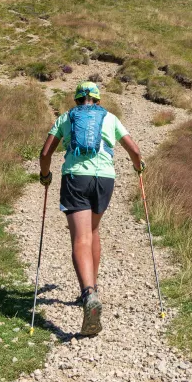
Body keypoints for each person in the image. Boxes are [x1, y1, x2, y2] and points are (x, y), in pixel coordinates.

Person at [38, 81, 144, 336]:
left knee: (80, 238)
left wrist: (45, 176)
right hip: (104, 180)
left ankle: (88, 295)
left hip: (76, 178)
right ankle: (93, 287)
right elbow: (135, 151)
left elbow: (45, 153)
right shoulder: (110, 118)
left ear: (76, 100)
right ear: (97, 100)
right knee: (94, 231)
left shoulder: (66, 118)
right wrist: (138, 168)